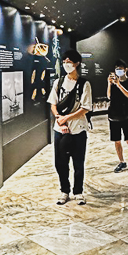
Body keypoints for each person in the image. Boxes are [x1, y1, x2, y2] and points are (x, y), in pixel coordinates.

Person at [48, 49, 92, 205]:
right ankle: (64, 191)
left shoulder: (84, 84)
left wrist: (67, 118)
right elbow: (53, 104)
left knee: (78, 162)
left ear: (77, 63)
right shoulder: (58, 82)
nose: (66, 64)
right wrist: (59, 119)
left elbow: (85, 108)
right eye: (64, 62)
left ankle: (78, 192)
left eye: (69, 62)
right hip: (60, 129)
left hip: (78, 129)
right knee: (60, 162)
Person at [107, 59, 128, 177]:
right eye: (117, 69)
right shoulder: (113, 82)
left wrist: (119, 85)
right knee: (117, 141)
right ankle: (122, 162)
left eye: (120, 69)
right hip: (113, 115)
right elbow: (109, 96)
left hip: (126, 115)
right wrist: (109, 84)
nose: (118, 71)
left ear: (126, 69)